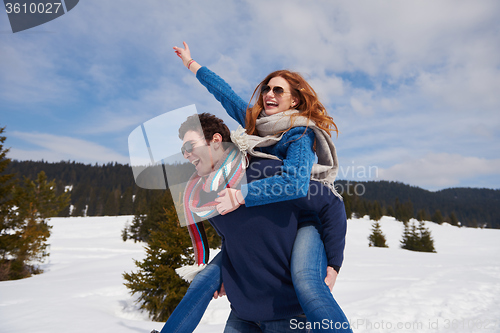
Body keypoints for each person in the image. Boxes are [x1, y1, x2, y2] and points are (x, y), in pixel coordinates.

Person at [162, 112, 350, 333]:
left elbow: (331, 203)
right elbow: (231, 239)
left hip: (287, 315)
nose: (186, 155)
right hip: (242, 315)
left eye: (190, 146)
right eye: (184, 150)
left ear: (215, 141)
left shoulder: (265, 171)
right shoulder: (205, 197)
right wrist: (227, 274)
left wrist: (333, 264)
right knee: (202, 281)